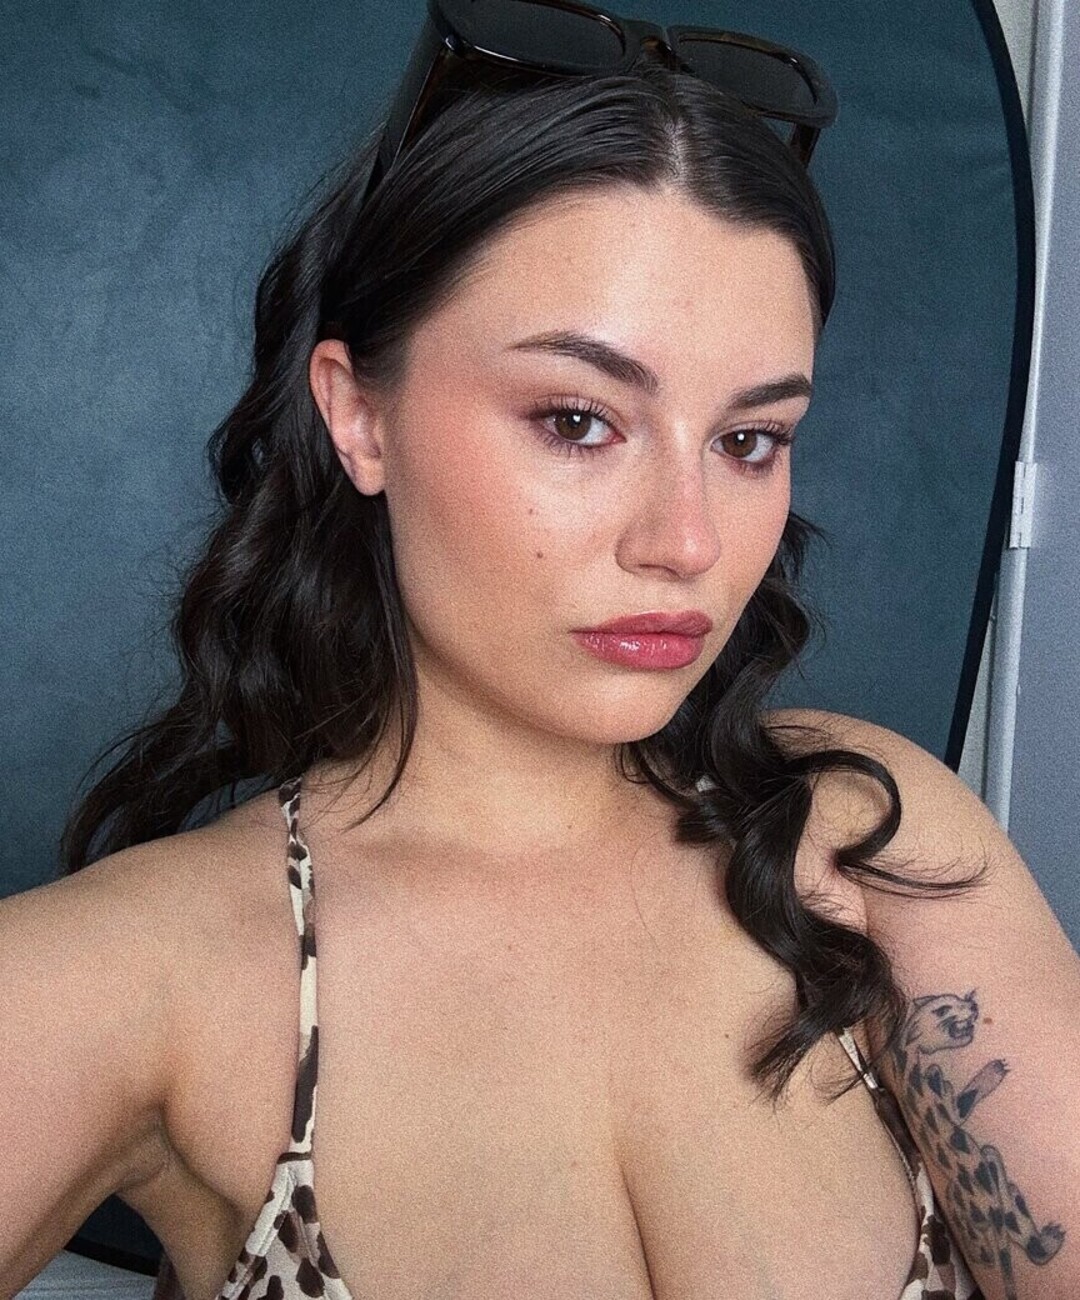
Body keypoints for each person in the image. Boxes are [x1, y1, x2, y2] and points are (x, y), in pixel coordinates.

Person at [4, 5, 1078, 1300]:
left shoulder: (863, 840)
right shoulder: (139, 975)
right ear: (359, 416)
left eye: (748, 441)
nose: (687, 542)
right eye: (577, 420)